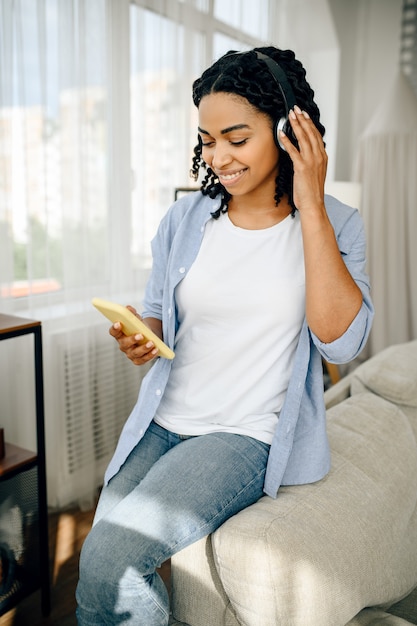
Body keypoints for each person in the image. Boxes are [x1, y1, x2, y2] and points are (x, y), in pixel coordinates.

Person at [76, 46, 373, 625]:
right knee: (99, 560)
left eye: (237, 139)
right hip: (162, 423)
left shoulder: (338, 223)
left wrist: (309, 200)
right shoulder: (185, 220)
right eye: (208, 140)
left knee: (114, 557)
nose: (218, 157)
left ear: (289, 131)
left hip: (242, 433)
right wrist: (145, 334)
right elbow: (163, 310)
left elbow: (342, 343)